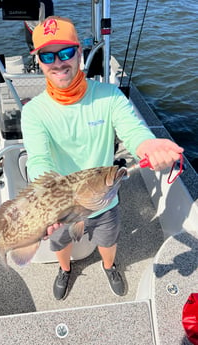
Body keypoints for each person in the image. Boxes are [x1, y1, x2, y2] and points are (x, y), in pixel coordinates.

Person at [21, 16, 183, 300]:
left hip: (104, 198)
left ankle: (109, 266)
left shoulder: (110, 96)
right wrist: (47, 201)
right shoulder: (33, 111)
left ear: (80, 52)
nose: (58, 62)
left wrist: (148, 146)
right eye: (48, 55)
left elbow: (133, 131)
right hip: (62, 206)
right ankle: (66, 269)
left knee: (108, 238)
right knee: (60, 241)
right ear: (39, 60)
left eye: (66, 52)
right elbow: (38, 160)